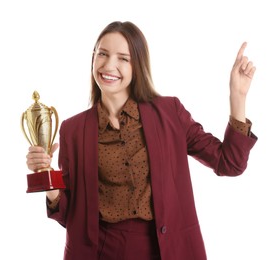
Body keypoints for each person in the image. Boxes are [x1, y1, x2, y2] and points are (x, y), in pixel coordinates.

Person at [26, 21, 257, 260]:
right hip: (101, 252)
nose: (109, 65)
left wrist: (237, 96)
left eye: (123, 58)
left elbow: (229, 163)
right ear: (93, 58)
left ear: (137, 64)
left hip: (167, 250)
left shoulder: (170, 112)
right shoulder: (73, 129)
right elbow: (72, 217)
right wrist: (50, 185)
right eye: (102, 54)